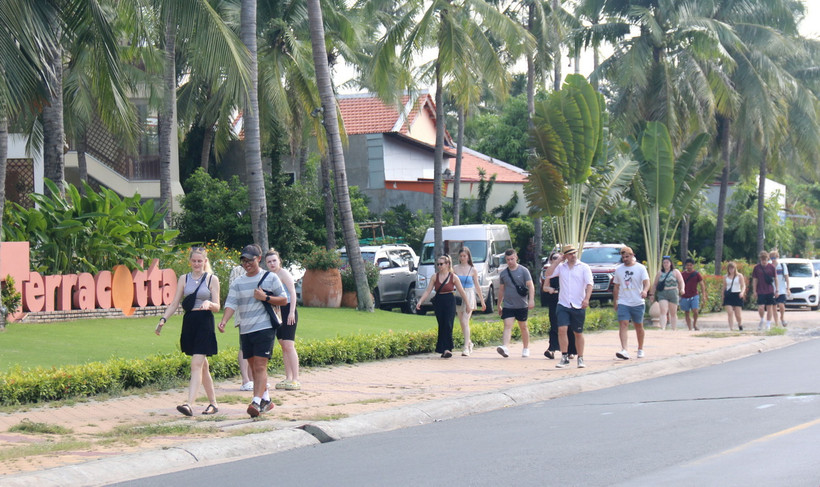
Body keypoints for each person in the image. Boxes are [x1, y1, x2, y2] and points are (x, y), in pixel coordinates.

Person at [218, 244, 288, 418]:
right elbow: (231, 303)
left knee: (260, 365)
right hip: (245, 329)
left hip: (264, 327)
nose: (247, 263)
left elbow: (284, 299)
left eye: (250, 260)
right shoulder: (238, 283)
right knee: (252, 366)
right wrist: (224, 320)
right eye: (243, 260)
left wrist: (265, 297)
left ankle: (256, 401)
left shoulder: (270, 277)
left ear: (258, 259)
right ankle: (266, 399)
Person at [155, 247, 221, 416]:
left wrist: (209, 304)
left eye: (200, 261)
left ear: (205, 261)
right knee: (203, 367)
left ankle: (189, 404)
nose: (197, 264)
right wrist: (163, 320)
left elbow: (217, 305)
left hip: (205, 323)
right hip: (190, 323)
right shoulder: (184, 279)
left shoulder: (212, 279)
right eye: (194, 261)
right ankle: (213, 403)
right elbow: (175, 302)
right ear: (190, 262)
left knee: (196, 364)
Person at [541, 244, 592, 368]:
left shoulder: (583, 267)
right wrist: (558, 260)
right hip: (563, 303)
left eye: (574, 253)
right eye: (569, 254)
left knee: (577, 332)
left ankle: (580, 357)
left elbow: (589, 284)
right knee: (562, 329)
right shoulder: (561, 267)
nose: (572, 255)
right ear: (566, 256)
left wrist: (586, 299)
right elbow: (548, 273)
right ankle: (564, 356)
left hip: (578, 303)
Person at [416, 254, 472, 358]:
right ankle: (443, 349)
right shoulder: (434, 277)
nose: (439, 266)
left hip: (449, 301)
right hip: (439, 301)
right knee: (442, 324)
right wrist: (420, 301)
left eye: (441, 264)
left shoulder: (453, 277)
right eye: (438, 264)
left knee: (448, 324)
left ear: (447, 264)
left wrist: (468, 304)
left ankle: (447, 349)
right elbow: (428, 290)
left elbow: (462, 291)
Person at [264, 249, 301, 390]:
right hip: (277, 311)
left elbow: (292, 292)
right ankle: (288, 377)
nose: (272, 263)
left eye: (274, 260)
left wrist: (291, 312)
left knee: (289, 344)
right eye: (269, 261)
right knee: (283, 344)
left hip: (288, 310)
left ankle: (296, 378)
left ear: (279, 260)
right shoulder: (268, 275)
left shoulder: (283, 274)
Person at [613, 246, 651, 359]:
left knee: (638, 325)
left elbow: (647, 282)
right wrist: (616, 301)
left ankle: (640, 348)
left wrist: (645, 291)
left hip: (637, 301)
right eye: (623, 257)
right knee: (623, 324)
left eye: (627, 256)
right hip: (624, 301)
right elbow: (616, 286)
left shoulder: (640, 268)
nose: (625, 259)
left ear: (632, 255)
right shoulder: (619, 269)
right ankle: (624, 349)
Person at [496, 249, 535, 358]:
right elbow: (501, 290)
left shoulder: (524, 271)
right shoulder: (503, 274)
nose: (510, 261)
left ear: (516, 258)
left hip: (522, 304)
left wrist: (531, 300)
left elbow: (531, 286)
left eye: (512, 259)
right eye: (508, 259)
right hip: (508, 305)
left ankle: (526, 347)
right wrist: (499, 304)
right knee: (507, 325)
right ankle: (505, 347)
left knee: (523, 326)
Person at [541, 251, 576, 359]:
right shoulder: (551, 271)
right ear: (551, 260)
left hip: (566, 299)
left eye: (559, 257)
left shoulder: (566, 269)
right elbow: (545, 287)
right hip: (555, 299)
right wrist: (550, 289)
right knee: (554, 323)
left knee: (568, 325)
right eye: (554, 258)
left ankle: (570, 350)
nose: (557, 259)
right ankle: (552, 348)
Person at [452, 247, 486, 356]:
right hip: (458, 295)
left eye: (464, 256)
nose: (463, 258)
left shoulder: (473, 269)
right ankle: (469, 342)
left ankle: (466, 347)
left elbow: (477, 286)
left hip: (469, 294)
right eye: (461, 256)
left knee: (465, 320)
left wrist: (482, 300)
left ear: (468, 257)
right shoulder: (455, 268)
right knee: (461, 321)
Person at [229, 264, 254, 391]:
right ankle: (245, 379)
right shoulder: (237, 271)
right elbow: (233, 292)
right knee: (244, 346)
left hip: (258, 314)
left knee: (255, 346)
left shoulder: (261, 271)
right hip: (243, 313)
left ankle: (254, 378)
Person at [649, 256, 684, 331]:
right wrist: (652, 294)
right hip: (663, 293)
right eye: (664, 262)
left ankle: (674, 328)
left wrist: (682, 289)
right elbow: (655, 284)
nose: (665, 264)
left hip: (673, 292)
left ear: (670, 263)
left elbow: (681, 281)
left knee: (673, 312)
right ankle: (663, 327)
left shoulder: (675, 272)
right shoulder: (660, 273)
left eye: (667, 262)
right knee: (663, 310)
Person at [751, 250, 777, 330]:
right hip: (760, 290)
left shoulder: (771, 267)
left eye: (765, 260)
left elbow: (775, 279)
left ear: (767, 259)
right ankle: (762, 319)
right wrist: (754, 291)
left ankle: (768, 323)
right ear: (760, 260)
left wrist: (777, 290)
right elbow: (755, 280)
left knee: (769, 307)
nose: (764, 261)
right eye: (762, 260)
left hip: (769, 290)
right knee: (761, 307)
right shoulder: (756, 268)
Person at [680, 258, 707, 331]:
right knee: (687, 312)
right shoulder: (682, 274)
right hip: (685, 296)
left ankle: (694, 324)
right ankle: (689, 328)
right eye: (687, 265)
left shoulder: (697, 274)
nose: (689, 267)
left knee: (695, 310)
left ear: (693, 265)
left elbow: (702, 284)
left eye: (690, 265)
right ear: (685, 266)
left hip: (694, 295)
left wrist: (704, 295)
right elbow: (679, 283)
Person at [723, 261, 747, 331]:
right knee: (730, 312)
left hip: (737, 294)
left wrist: (742, 292)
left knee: (738, 315)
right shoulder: (725, 277)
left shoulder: (739, 276)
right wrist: (723, 295)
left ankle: (740, 324)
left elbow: (743, 285)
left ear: (735, 268)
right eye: (730, 268)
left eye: (732, 268)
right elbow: (724, 287)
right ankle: (731, 328)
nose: (731, 270)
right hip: (728, 295)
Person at [769, 250, 791, 327]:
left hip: (781, 289)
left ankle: (782, 317)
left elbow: (786, 277)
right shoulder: (769, 266)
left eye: (774, 257)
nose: (773, 259)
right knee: (774, 307)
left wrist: (788, 288)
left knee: (781, 305)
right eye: (771, 257)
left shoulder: (782, 266)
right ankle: (776, 323)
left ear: (777, 257)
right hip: (772, 289)